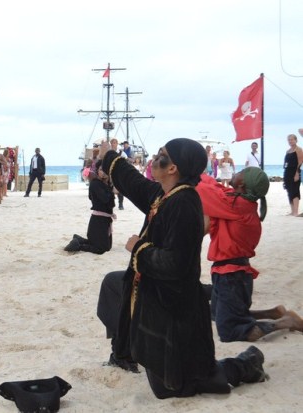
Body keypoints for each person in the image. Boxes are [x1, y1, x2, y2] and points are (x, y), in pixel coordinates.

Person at [96, 137, 267, 399]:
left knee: (177, 386)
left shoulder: (185, 204)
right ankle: (123, 352)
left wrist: (138, 248)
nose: (154, 158)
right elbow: (134, 184)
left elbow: (174, 264)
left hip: (173, 306)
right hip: (153, 290)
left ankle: (246, 364)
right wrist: (110, 157)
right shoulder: (164, 195)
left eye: (161, 154)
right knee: (112, 285)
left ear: (173, 167)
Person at [197, 168, 303, 342]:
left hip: (232, 276)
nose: (237, 171)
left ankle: (285, 322)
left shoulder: (235, 206)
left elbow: (202, 191)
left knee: (231, 330)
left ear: (241, 184)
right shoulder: (237, 200)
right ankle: (274, 313)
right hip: (228, 273)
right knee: (218, 314)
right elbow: (214, 187)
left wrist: (187, 172)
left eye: (241, 172)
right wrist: (195, 171)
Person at [64, 159, 115, 254]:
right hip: (98, 221)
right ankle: (78, 246)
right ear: (97, 171)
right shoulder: (95, 183)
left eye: (106, 170)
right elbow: (106, 199)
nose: (103, 172)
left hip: (105, 220)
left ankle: (78, 239)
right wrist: (113, 192)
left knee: (108, 247)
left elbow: (109, 202)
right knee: (101, 249)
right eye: (101, 169)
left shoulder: (106, 184)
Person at [283, 133, 303, 216]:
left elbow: (300, 162)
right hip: (287, 172)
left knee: (295, 191)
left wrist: (297, 173)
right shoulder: (288, 151)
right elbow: (286, 163)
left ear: (296, 140)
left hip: (295, 172)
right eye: (289, 140)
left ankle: (296, 211)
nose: (290, 141)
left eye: (292, 139)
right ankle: (292, 211)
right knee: (289, 191)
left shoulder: (299, 149)